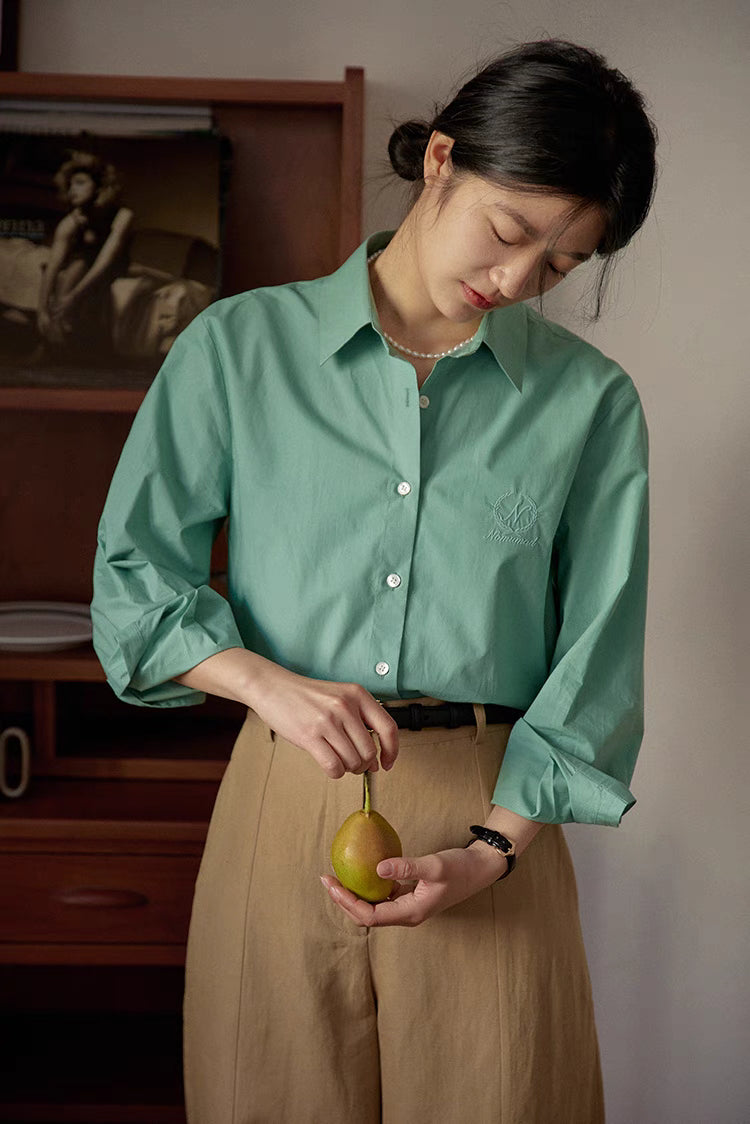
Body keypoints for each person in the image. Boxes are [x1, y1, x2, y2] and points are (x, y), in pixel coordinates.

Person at [91, 38, 657, 1124]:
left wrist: (490, 853)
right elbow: (130, 583)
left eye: (558, 265)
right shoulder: (236, 350)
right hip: (279, 804)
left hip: (492, 829)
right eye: (508, 230)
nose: (513, 279)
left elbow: (600, 658)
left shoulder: (590, 405)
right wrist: (266, 683)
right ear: (440, 158)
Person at [36, 150, 133, 358]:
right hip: (81, 265)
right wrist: (41, 309)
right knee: (72, 266)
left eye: (80, 183)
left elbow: (105, 261)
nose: (72, 190)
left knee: (79, 265)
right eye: (70, 184)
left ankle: (56, 344)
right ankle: (56, 335)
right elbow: (53, 265)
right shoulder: (71, 221)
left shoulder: (123, 215)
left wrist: (73, 296)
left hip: (111, 267)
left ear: (99, 187)